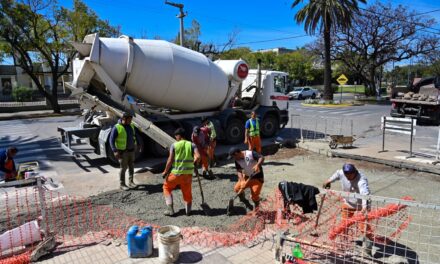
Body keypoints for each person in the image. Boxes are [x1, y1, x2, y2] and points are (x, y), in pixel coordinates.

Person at [323, 163, 374, 242]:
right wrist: (329, 180)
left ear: (354, 172)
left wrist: (364, 207)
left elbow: (365, 194)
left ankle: (369, 241)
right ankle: (344, 241)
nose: (348, 178)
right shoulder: (342, 173)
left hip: (361, 206)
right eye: (346, 176)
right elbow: (337, 174)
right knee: (344, 224)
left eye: (350, 175)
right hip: (348, 203)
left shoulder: (361, 180)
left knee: (363, 226)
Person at [162, 128, 200, 216]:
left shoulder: (174, 145)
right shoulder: (192, 145)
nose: (175, 138)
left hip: (176, 174)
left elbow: (170, 160)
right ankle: (188, 210)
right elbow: (198, 157)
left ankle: (170, 210)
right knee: (187, 191)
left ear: (179, 136)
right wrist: (194, 164)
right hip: (188, 175)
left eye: (176, 136)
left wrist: (165, 171)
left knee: (166, 187)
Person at [110, 112, 137, 191]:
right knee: (123, 168)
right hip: (123, 152)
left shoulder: (131, 125)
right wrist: (115, 151)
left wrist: (136, 145)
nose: (130, 121)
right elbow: (111, 140)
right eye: (129, 119)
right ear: (123, 119)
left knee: (131, 166)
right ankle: (122, 184)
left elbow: (133, 137)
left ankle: (131, 182)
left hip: (131, 151)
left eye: (131, 119)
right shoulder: (117, 127)